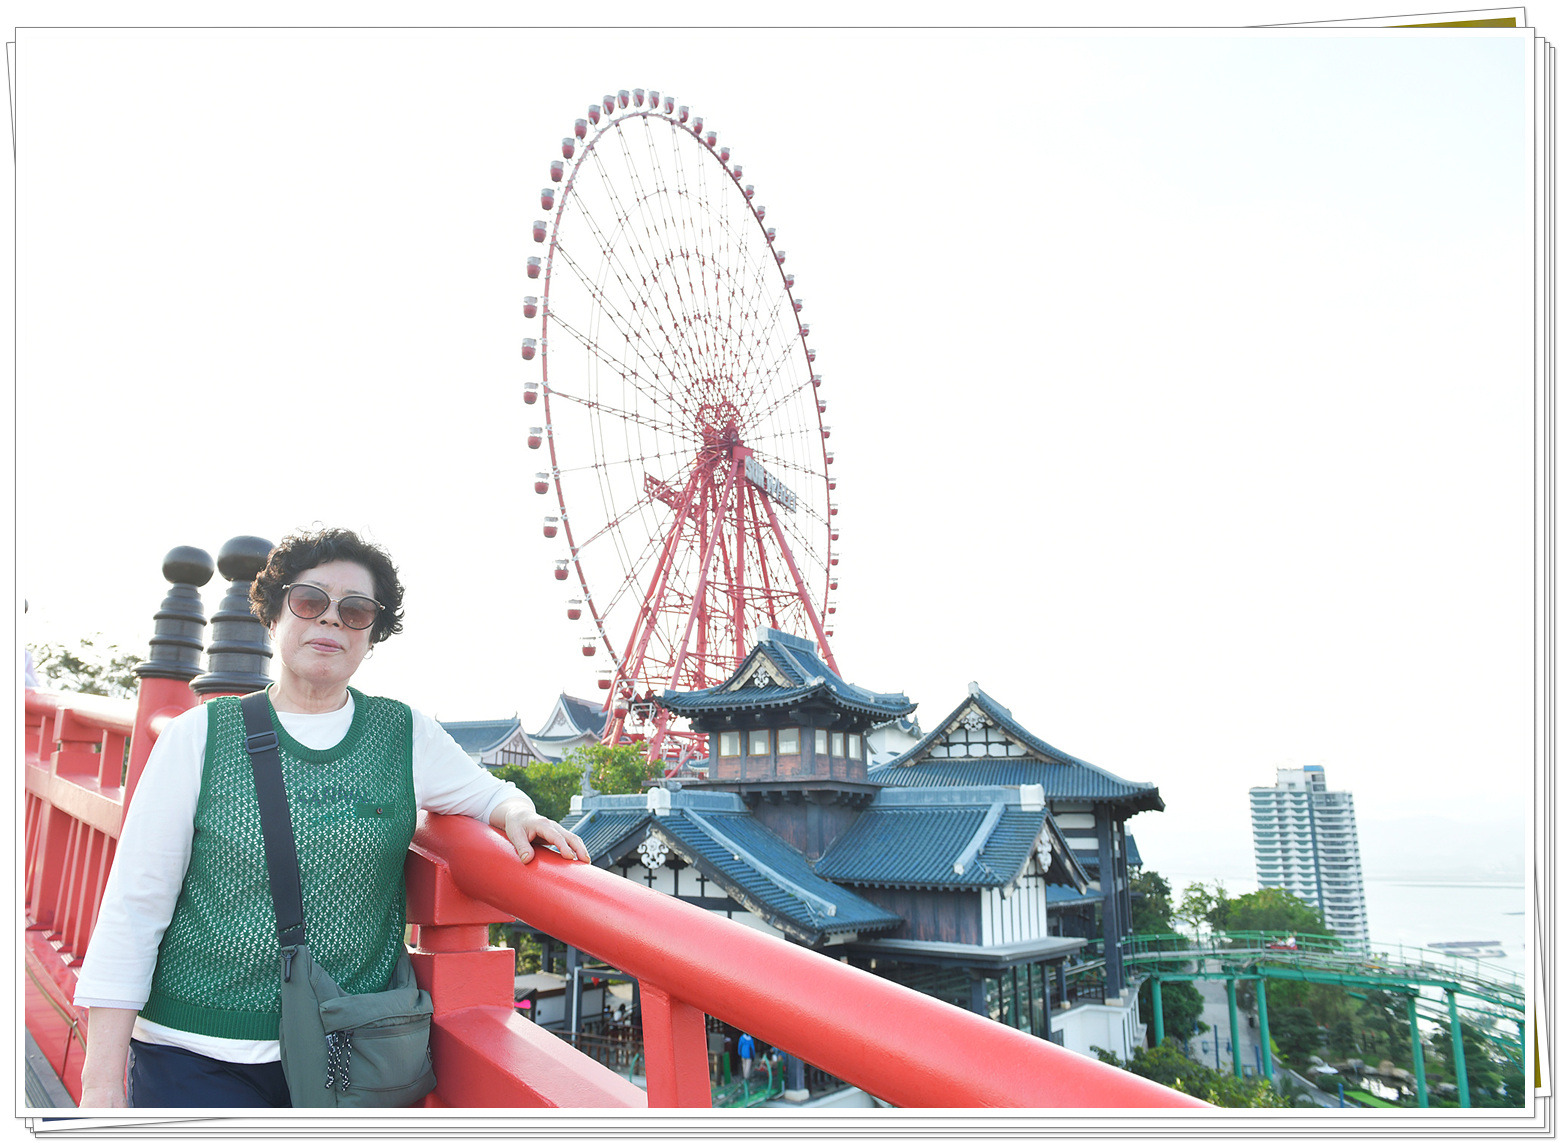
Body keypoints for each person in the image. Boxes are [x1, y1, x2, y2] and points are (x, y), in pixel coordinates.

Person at [74, 528, 590, 1108]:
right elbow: (136, 904)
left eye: (355, 611)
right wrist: (101, 1084)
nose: (330, 620)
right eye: (309, 601)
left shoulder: (402, 735)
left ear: (372, 634)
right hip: (195, 1052)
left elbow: (490, 793)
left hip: (346, 1056)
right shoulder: (200, 736)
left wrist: (519, 812)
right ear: (274, 614)